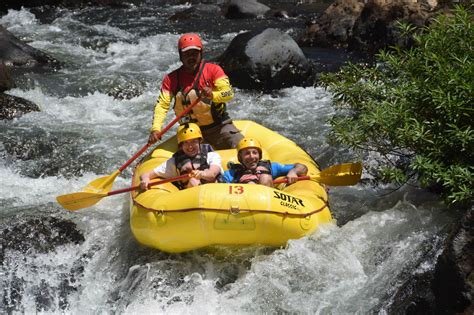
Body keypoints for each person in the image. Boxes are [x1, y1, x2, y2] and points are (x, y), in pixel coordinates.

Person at [149, 33, 243, 149]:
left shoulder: (214, 70)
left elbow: (228, 93)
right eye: (187, 54)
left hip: (220, 127)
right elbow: (162, 106)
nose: (191, 57)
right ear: (180, 56)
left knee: (243, 147)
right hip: (190, 132)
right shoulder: (171, 79)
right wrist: (156, 129)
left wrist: (212, 95)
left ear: (201, 53)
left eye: (194, 53)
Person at [140, 123, 222, 190]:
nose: (190, 146)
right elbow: (146, 174)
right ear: (181, 145)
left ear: (200, 141)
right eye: (186, 143)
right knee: (194, 181)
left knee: (203, 181)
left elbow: (213, 173)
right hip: (191, 199)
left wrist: (202, 174)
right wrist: (145, 179)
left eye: (194, 141)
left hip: (213, 195)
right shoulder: (174, 162)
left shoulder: (212, 155)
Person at [223, 137, 308, 187]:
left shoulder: (273, 167)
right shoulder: (230, 174)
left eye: (255, 153)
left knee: (265, 178)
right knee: (250, 184)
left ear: (259, 156)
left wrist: (293, 172)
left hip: (268, 206)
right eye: (247, 153)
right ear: (240, 157)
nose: (252, 157)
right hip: (241, 207)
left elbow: (302, 167)